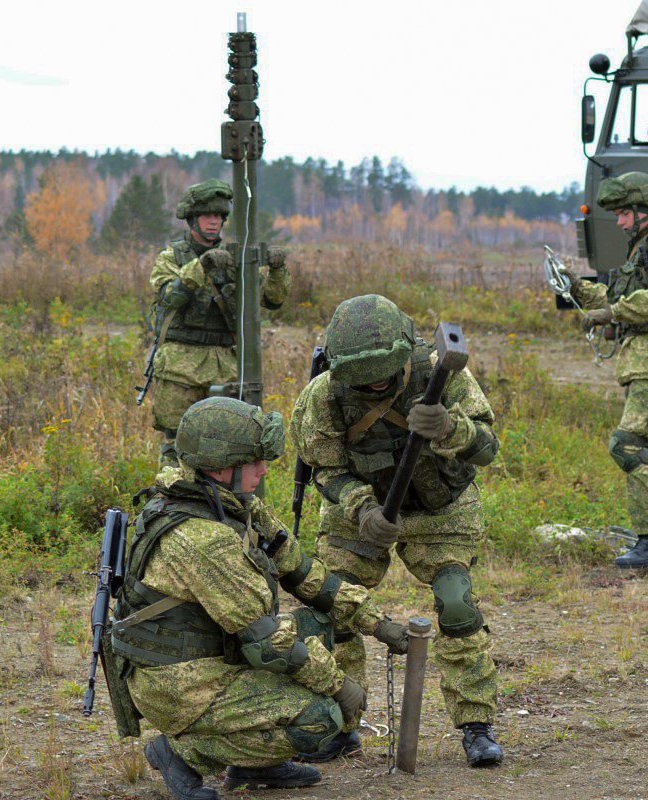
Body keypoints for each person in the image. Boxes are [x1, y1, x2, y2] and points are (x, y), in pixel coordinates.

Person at [109, 397, 409, 800]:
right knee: (321, 720)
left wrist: (376, 621)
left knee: (321, 624)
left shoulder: (232, 506)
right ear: (220, 466)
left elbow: (304, 573)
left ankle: (256, 763)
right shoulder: (202, 539)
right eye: (254, 461)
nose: (264, 470)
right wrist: (340, 686)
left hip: (219, 655)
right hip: (182, 684)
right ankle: (182, 755)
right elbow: (266, 641)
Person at [289, 294, 504, 767]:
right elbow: (324, 468)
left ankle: (476, 725)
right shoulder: (323, 396)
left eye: (384, 376)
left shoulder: (442, 375)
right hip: (362, 512)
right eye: (363, 383)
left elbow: (488, 449)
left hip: (440, 510)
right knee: (330, 607)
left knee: (456, 604)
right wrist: (361, 508)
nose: (376, 386)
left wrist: (452, 428)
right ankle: (340, 723)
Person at [562, 171, 648, 569]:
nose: (619, 222)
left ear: (643, 211)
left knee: (627, 445)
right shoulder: (640, 248)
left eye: (624, 213)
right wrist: (575, 287)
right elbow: (618, 293)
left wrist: (612, 313)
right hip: (646, 363)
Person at [146, 179, 291, 467]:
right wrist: (201, 267)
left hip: (224, 365)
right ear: (192, 219)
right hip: (179, 366)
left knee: (228, 443)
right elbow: (170, 296)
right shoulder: (171, 257)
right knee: (177, 447)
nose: (213, 222)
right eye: (206, 216)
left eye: (218, 216)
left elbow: (271, 299)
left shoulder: (236, 258)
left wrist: (277, 268)